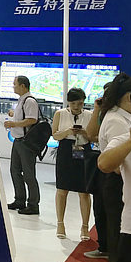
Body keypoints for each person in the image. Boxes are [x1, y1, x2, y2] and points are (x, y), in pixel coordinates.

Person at [94, 73, 131, 262]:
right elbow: (107, 164)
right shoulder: (119, 122)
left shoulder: (117, 116)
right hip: (123, 193)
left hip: (124, 190)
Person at [51, 88, 92, 240]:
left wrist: (84, 133)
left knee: (84, 191)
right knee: (62, 188)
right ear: (68, 102)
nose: (76, 106)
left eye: (80, 103)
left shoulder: (89, 115)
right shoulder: (60, 114)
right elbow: (55, 135)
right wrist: (68, 132)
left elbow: (94, 137)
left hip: (83, 149)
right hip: (65, 150)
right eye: (73, 103)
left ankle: (85, 227)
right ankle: (60, 223)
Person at [83, 82, 113, 259]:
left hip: (114, 165)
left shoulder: (121, 117)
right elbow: (90, 135)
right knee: (99, 205)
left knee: (112, 207)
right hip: (98, 161)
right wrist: (96, 109)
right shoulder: (102, 113)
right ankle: (104, 246)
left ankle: (113, 246)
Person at [5, 75, 41, 215]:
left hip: (26, 142)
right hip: (18, 140)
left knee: (28, 174)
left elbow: (32, 119)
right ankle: (19, 200)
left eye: (15, 84)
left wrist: (14, 124)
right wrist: (14, 114)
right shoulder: (21, 100)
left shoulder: (30, 101)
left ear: (23, 86)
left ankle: (33, 204)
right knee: (15, 171)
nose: (13, 86)